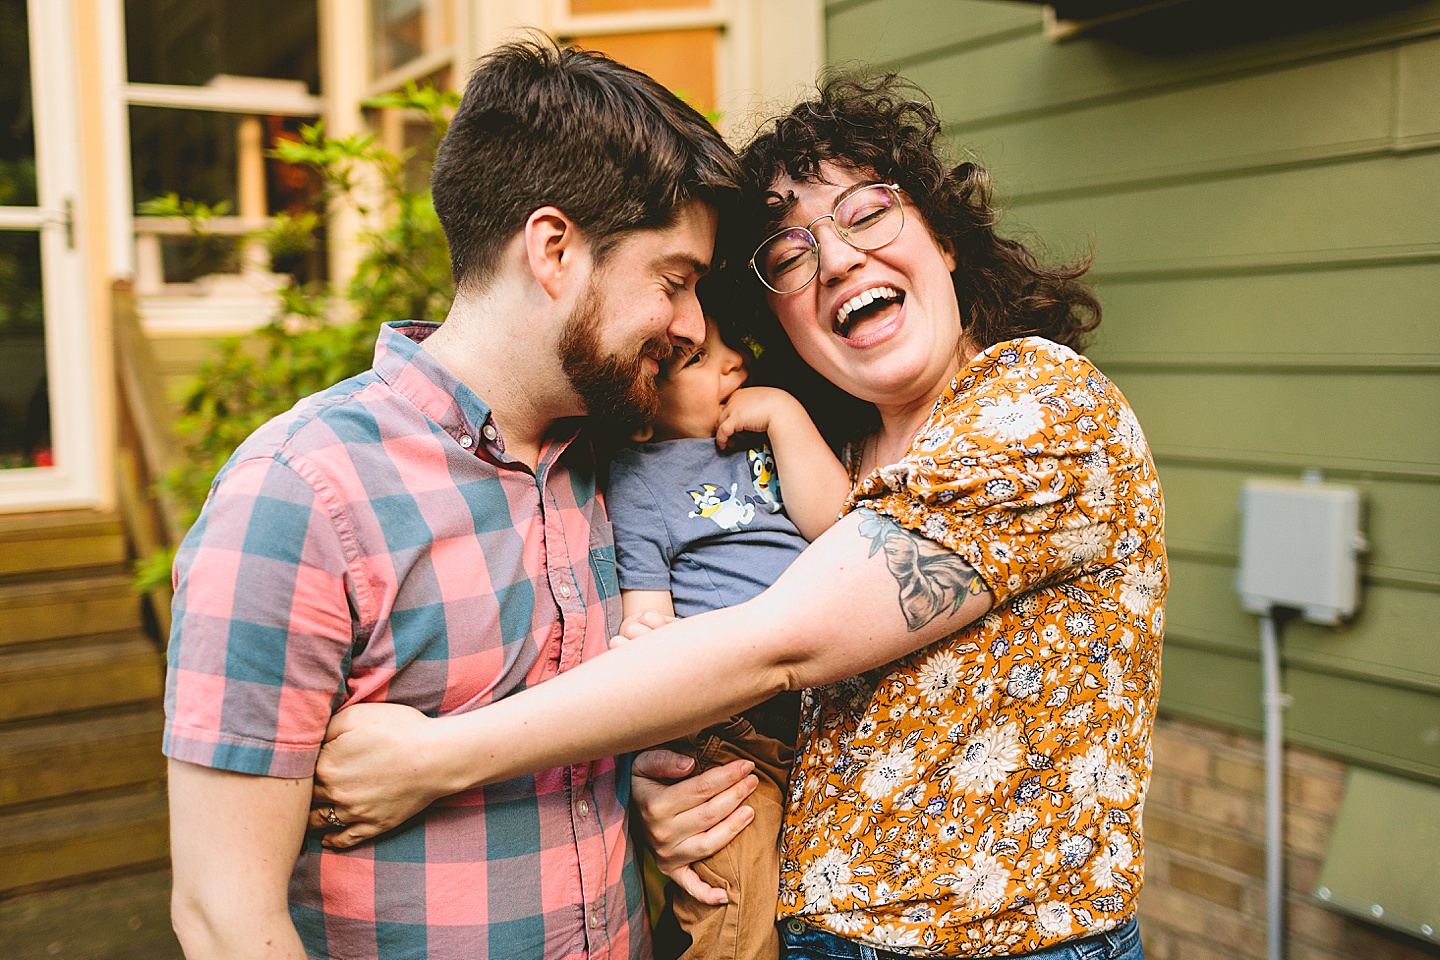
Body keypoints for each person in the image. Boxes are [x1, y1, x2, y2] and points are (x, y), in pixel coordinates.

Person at [310, 73, 1166, 960]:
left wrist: (435, 759)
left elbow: (774, 644)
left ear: (944, 238)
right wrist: (665, 788)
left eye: (868, 213)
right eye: (792, 254)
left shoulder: (1043, 409)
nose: (835, 260)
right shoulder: (812, 458)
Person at [162, 39, 740, 960]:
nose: (693, 327)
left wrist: (637, 790)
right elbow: (226, 916)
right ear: (552, 248)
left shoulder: (616, 465)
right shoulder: (301, 495)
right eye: (671, 280)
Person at [609, 309, 850, 960]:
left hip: (816, 721)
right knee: (735, 911)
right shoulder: (640, 476)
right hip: (727, 732)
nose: (732, 362)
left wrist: (784, 416)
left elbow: (838, 525)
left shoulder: (769, 439)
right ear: (644, 401)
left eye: (728, 345)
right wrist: (646, 637)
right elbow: (646, 611)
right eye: (697, 360)